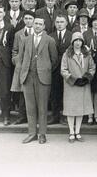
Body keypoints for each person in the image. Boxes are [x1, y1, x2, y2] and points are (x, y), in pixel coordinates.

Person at [17, 16, 58, 144]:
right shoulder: (25, 40)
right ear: (32, 24)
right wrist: (24, 72)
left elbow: (54, 60)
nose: (38, 26)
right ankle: (32, 133)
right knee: (30, 107)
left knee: (42, 107)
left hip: (43, 78)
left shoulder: (50, 40)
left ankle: (42, 134)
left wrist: (44, 70)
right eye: (36, 23)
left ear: (44, 26)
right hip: (28, 77)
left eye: (40, 24)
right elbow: (21, 57)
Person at [60, 32, 96, 143]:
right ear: (72, 42)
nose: (78, 43)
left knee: (80, 109)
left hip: (83, 84)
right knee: (71, 110)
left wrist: (86, 78)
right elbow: (63, 70)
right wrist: (73, 80)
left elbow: (92, 67)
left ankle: (77, 131)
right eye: (76, 40)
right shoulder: (67, 54)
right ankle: (71, 131)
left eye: (80, 40)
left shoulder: (86, 54)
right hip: (71, 85)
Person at [11, 10, 36, 125]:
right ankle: (22, 116)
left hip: (34, 68)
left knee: (34, 93)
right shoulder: (18, 34)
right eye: (26, 18)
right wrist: (17, 61)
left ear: (34, 20)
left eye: (30, 19)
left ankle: (33, 117)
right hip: (21, 68)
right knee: (22, 93)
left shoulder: (37, 33)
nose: (28, 21)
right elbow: (14, 51)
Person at [48, 14, 73, 125]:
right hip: (53, 68)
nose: (59, 24)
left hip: (67, 68)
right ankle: (55, 116)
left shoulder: (71, 36)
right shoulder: (50, 36)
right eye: (57, 22)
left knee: (66, 92)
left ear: (66, 23)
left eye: (61, 22)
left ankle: (64, 116)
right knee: (54, 93)